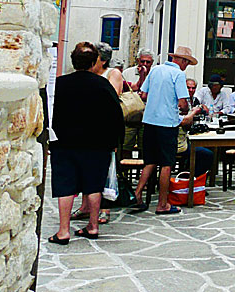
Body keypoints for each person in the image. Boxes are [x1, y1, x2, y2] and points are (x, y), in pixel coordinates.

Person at [48, 42, 124, 244]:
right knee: (94, 185)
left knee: (65, 185)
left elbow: (50, 111)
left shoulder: (60, 84)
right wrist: (113, 142)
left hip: (64, 142)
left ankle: (63, 231)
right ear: (94, 62)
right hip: (96, 143)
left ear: (74, 61)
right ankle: (93, 226)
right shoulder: (103, 85)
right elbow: (116, 115)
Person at [132, 45, 198, 214]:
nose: (186, 66)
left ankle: (138, 194)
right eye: (187, 63)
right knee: (166, 164)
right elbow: (183, 103)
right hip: (167, 123)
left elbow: (144, 94)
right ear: (182, 61)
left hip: (149, 121)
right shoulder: (178, 74)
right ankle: (162, 203)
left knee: (150, 161)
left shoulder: (155, 70)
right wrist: (183, 109)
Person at [70, 42, 123, 225]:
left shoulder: (113, 74)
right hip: (86, 129)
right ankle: (85, 206)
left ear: (103, 59)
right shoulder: (90, 74)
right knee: (86, 170)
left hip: (105, 129)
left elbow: (112, 100)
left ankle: (104, 209)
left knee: (106, 171)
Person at [176, 97, 214, 177]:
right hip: (178, 147)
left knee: (200, 149)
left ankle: (191, 174)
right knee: (207, 154)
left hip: (177, 143)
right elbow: (184, 122)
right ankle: (195, 178)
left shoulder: (194, 100)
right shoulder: (174, 112)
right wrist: (193, 112)